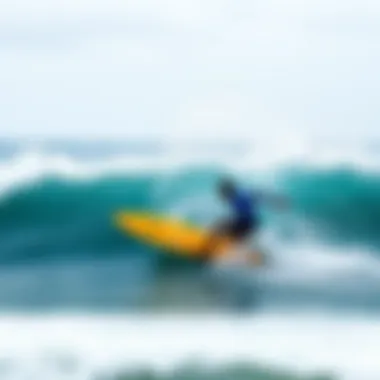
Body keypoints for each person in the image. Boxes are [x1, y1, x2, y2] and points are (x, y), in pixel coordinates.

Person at [202, 178, 288, 259]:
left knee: (219, 226)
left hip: (244, 223)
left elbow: (239, 216)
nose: (222, 195)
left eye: (222, 192)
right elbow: (263, 196)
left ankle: (206, 250)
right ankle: (255, 254)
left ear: (228, 190)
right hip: (253, 223)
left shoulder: (237, 196)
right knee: (232, 233)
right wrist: (278, 202)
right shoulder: (244, 192)